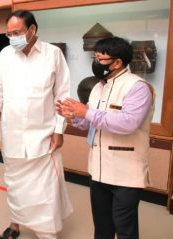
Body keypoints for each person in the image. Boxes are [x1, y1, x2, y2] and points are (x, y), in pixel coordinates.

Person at [56, 36, 155, 239]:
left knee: (124, 228)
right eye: (95, 57)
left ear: (117, 62)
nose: (95, 63)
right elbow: (92, 124)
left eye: (100, 59)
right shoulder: (98, 87)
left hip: (126, 173)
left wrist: (86, 113)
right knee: (102, 226)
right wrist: (74, 116)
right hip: (99, 170)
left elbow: (128, 123)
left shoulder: (138, 87)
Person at [0, 10, 73, 239]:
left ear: (32, 30)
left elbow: (62, 95)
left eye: (16, 33)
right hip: (13, 134)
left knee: (45, 189)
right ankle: (15, 224)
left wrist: (59, 129)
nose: (12, 38)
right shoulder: (5, 55)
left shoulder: (53, 54)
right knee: (15, 185)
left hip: (43, 135)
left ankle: (46, 232)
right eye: (8, 34)